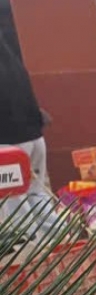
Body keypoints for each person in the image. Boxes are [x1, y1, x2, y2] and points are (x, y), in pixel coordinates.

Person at [0, 34, 58, 233]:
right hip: (34, 139)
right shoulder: (14, 65)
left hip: (9, 144)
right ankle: (59, 236)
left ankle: (29, 244)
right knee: (36, 192)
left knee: (13, 198)